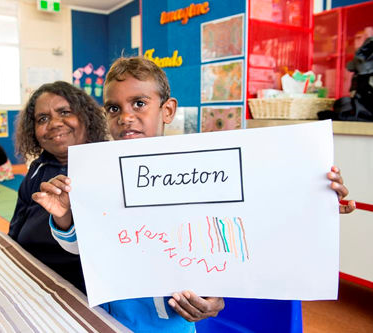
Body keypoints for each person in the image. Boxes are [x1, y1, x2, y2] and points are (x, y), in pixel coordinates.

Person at [32, 57, 357, 332]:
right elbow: (83, 247)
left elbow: (249, 229)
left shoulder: (196, 168)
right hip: (111, 313)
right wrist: (64, 217)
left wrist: (315, 202)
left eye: (139, 104)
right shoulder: (100, 173)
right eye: (114, 108)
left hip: (174, 320)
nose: (126, 116)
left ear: (168, 110)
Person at [8, 81, 108, 294]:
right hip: (29, 280)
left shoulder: (107, 165)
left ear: (85, 117)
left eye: (64, 112)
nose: (54, 123)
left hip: (80, 293)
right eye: (42, 119)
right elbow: (14, 231)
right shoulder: (37, 169)